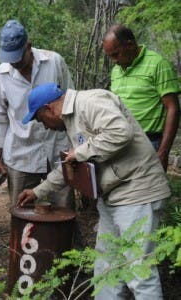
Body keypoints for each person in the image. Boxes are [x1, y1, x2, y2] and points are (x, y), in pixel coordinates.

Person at [17, 82, 171, 299]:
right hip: (113, 195)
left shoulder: (90, 102)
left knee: (138, 269)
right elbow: (72, 166)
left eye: (41, 120)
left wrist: (80, 152)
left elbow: (120, 132)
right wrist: (38, 191)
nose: (44, 126)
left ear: (49, 109)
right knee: (106, 266)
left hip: (137, 192)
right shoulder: (72, 121)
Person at [0, 20, 74, 208]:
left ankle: (64, 239)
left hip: (57, 148)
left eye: (18, 57)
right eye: (10, 59)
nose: (15, 63)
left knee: (64, 208)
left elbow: (71, 101)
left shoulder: (54, 62)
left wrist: (77, 145)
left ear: (28, 46)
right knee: (22, 209)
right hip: (21, 152)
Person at [102, 24, 180, 170]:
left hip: (150, 142)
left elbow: (173, 108)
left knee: (150, 191)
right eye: (110, 56)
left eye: (115, 54)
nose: (114, 60)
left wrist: (163, 152)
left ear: (130, 45)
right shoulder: (116, 71)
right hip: (122, 141)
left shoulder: (158, 64)